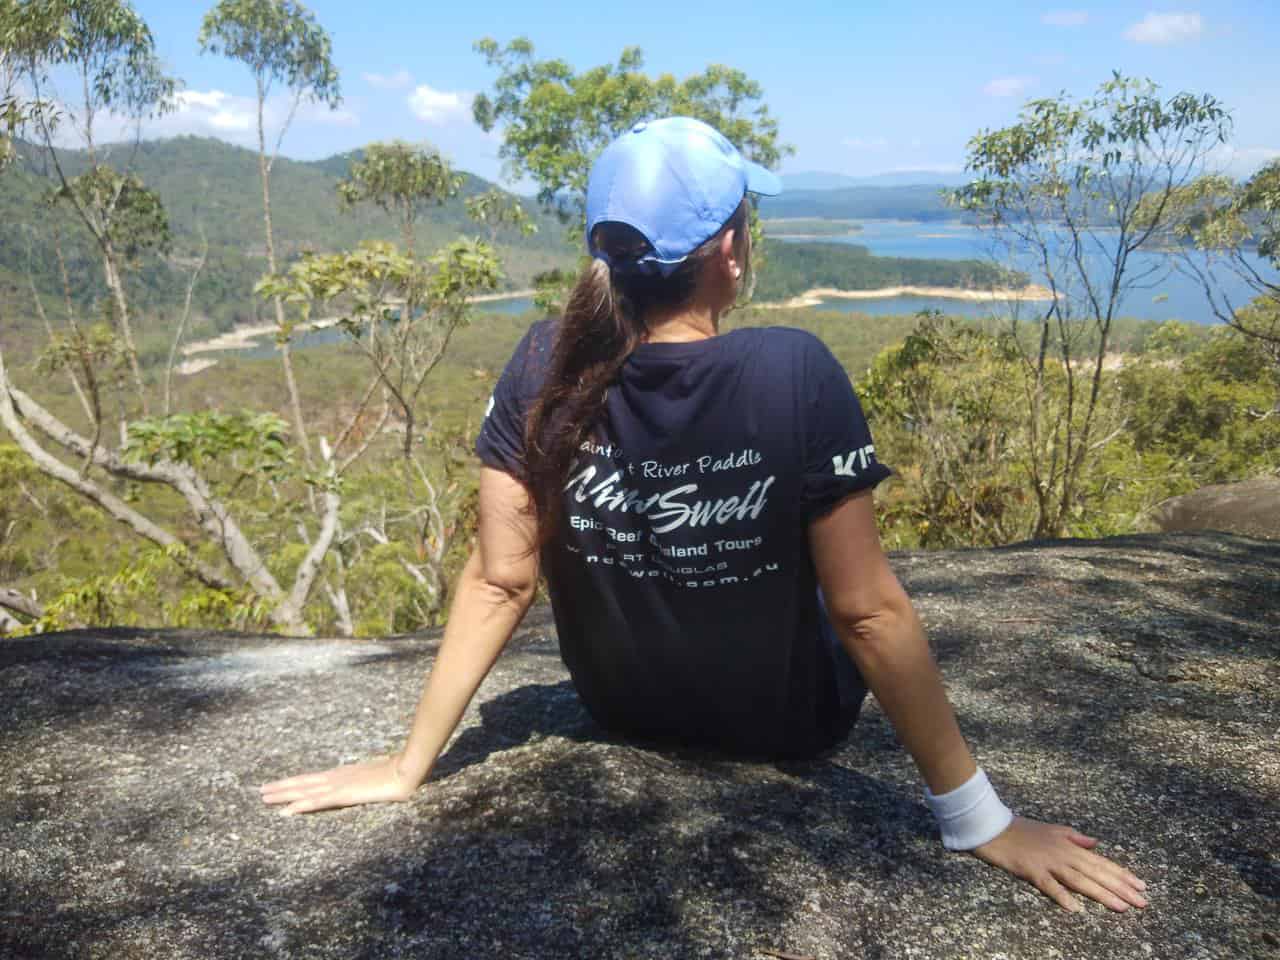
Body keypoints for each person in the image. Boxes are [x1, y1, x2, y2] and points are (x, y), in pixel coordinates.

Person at [261, 116, 1148, 915]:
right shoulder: (791, 371)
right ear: (730, 250)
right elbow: (867, 610)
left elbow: (501, 577)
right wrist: (978, 819)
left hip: (622, 711)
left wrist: (408, 764)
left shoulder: (542, 361)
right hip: (788, 726)